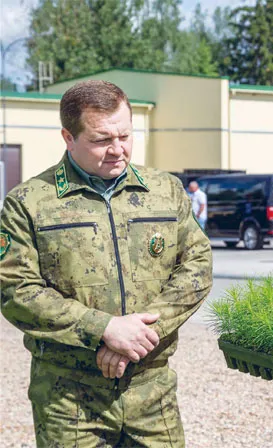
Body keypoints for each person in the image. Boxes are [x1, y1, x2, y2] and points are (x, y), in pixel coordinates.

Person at [0, 80, 213, 447]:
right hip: (69, 402)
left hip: (152, 393)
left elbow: (197, 266)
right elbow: (16, 290)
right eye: (101, 140)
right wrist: (104, 329)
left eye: (126, 136)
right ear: (68, 137)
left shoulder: (166, 191)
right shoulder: (29, 203)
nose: (118, 150)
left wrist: (139, 335)